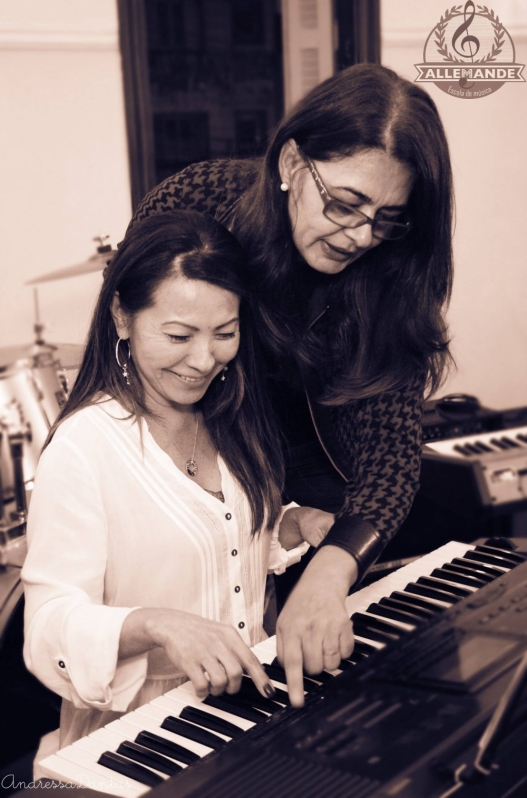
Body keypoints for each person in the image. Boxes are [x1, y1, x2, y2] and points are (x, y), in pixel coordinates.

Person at [129, 63, 454, 706]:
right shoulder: (198, 202)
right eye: (345, 203)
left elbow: (390, 456)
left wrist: (332, 569)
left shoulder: (390, 274)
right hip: (207, 469)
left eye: (389, 219)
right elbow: (144, 344)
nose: (362, 236)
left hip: (326, 500)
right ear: (290, 162)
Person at [22, 210, 331, 758]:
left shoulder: (230, 416)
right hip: (143, 736)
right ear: (122, 316)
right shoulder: (83, 447)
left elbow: (221, 542)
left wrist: (287, 528)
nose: (203, 359)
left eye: (225, 334)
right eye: (179, 335)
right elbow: (47, 629)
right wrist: (155, 626)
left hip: (250, 712)